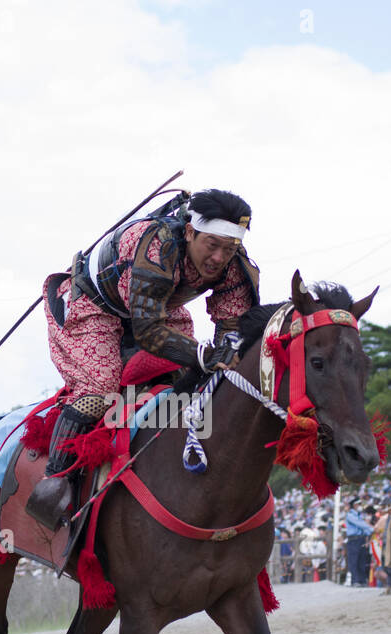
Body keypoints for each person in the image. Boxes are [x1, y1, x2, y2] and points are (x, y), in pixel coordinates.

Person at [28, 189, 260, 528]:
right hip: (94, 305)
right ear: (190, 231)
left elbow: (234, 324)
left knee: (197, 379)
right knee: (99, 390)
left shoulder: (233, 264)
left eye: (230, 248)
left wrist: (224, 356)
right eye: (212, 245)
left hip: (158, 305)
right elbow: (149, 332)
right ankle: (54, 483)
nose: (219, 257)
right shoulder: (156, 244)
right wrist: (205, 354)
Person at [344, 502, 374, 587]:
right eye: (359, 504)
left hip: (361, 539)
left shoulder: (360, 515)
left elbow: (364, 528)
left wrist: (369, 532)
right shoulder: (350, 515)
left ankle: (362, 580)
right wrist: (372, 529)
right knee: (354, 560)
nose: (360, 506)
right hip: (353, 539)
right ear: (354, 505)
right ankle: (355, 580)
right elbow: (360, 525)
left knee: (362, 560)